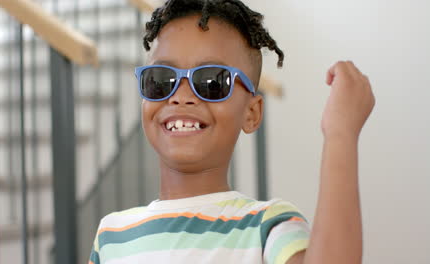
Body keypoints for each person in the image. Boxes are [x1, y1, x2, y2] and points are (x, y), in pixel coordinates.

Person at [88, 0, 375, 263]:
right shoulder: (111, 235)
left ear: (252, 113)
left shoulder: (268, 226)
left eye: (212, 81)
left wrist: (341, 132)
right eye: (161, 79)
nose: (181, 96)